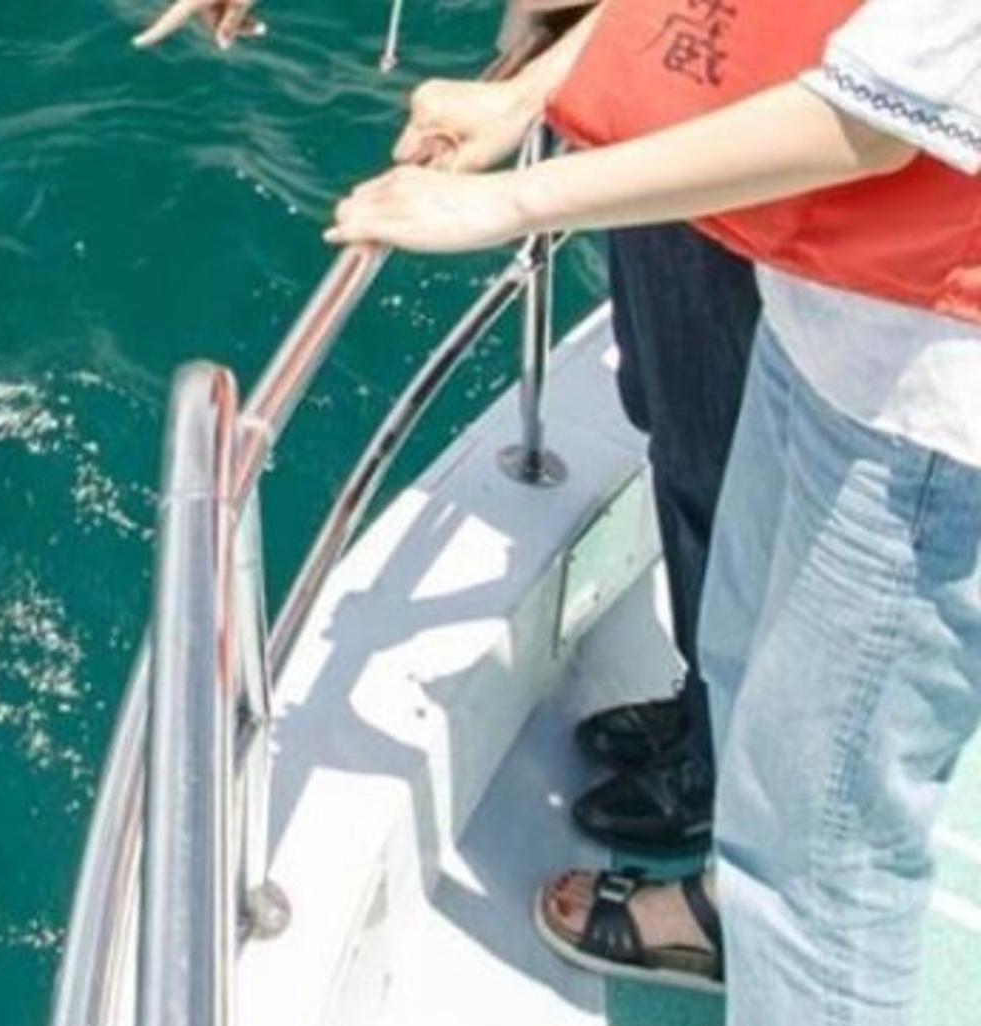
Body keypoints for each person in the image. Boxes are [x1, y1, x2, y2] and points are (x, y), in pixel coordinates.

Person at [331, 0, 981, 1026]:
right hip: (828, 327)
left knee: (825, 781)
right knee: (744, 671)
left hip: (935, 411)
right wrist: (522, 99)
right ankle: (729, 914)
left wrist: (510, 200)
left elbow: (860, 124)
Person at [146, 0, 755, 862]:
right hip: (670, 105)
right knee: (678, 425)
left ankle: (730, 767)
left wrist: (518, 168)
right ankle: (712, 710)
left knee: (726, 460)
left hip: (733, 158)